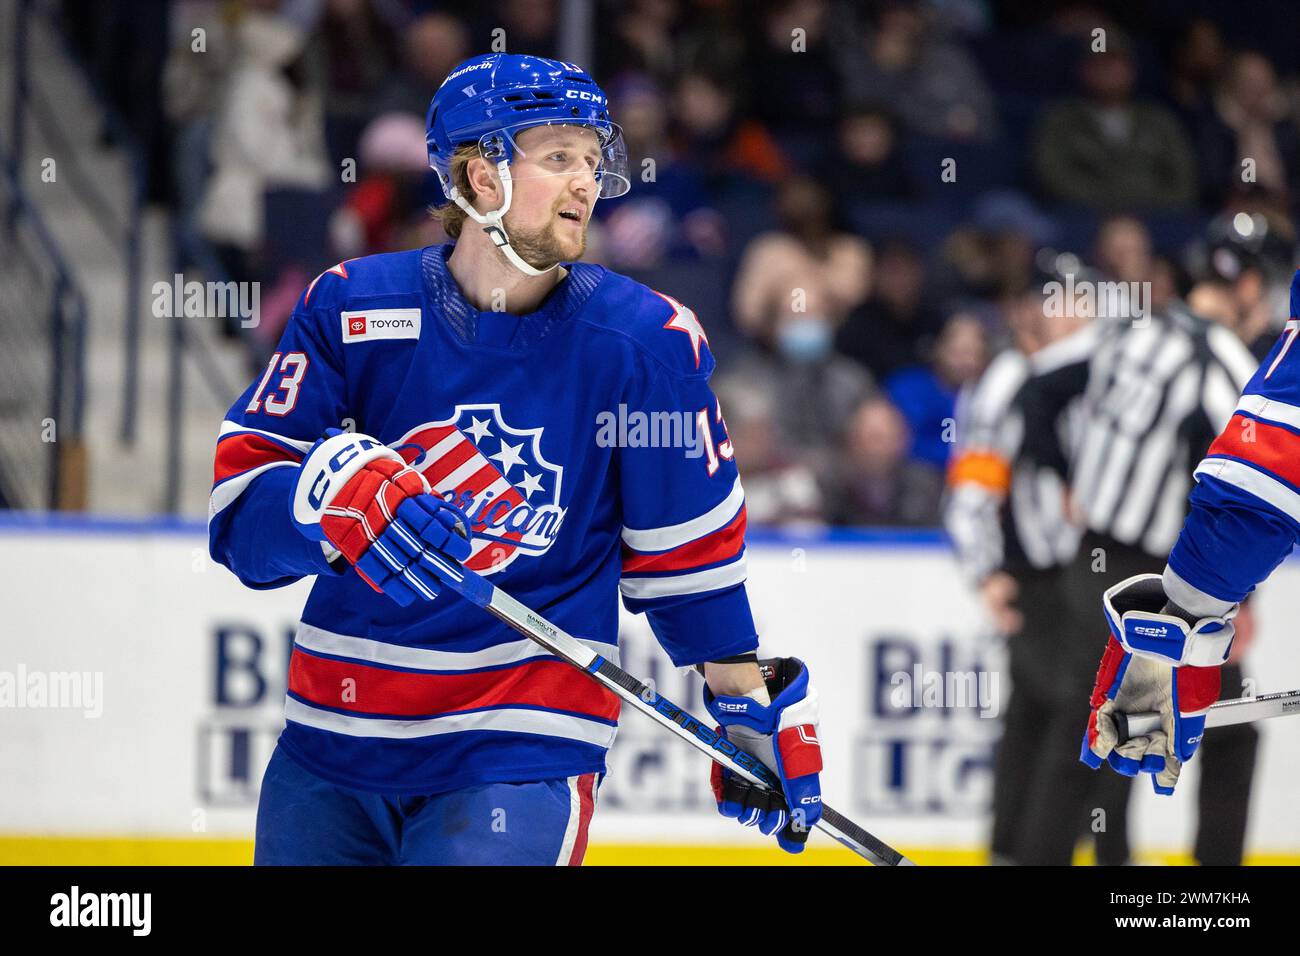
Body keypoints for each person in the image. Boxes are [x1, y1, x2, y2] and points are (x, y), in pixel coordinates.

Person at [207, 54, 824, 866]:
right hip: (332, 741)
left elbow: (687, 558)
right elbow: (240, 523)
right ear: (477, 176)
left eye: (592, 161)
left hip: (520, 747)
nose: (586, 184)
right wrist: (318, 499)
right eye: (558, 157)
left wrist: (746, 708)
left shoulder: (644, 345)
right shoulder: (353, 307)